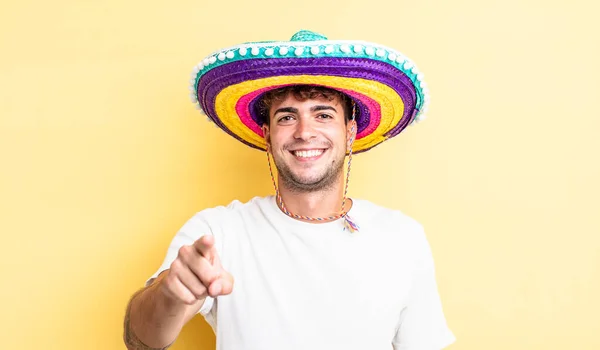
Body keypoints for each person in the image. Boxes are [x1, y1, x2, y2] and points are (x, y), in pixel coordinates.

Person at [123, 30, 455, 350]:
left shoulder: (402, 236)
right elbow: (141, 340)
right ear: (266, 135)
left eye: (323, 115)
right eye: (286, 118)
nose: (304, 132)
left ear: (350, 132)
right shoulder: (218, 232)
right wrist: (171, 293)